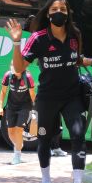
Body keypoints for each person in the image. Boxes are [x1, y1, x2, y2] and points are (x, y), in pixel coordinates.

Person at [4, 0, 92, 183]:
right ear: (48, 13)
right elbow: (18, 68)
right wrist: (16, 42)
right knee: (44, 139)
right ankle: (45, 181)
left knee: (79, 135)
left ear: (68, 12)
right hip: (47, 98)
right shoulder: (39, 38)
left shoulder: (74, 35)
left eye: (63, 8)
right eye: (54, 9)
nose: (59, 12)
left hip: (72, 96)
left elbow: (75, 59)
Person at [25, 14, 68, 157]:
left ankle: (55, 147)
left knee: (56, 122)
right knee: (46, 122)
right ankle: (48, 147)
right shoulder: (38, 40)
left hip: (57, 92)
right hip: (48, 92)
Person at [0, 62, 36, 165]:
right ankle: (19, 145)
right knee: (11, 132)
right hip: (11, 106)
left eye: (14, 65)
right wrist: (0, 106)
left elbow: (32, 94)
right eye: (11, 65)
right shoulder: (8, 75)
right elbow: (3, 92)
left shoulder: (27, 77)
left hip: (25, 106)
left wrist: (36, 109)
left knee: (19, 130)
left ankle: (17, 154)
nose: (12, 67)